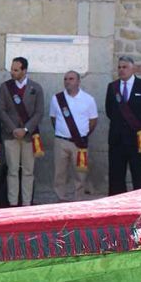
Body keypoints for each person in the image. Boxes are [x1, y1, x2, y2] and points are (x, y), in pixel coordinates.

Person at [104, 56, 141, 195]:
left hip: (136, 140)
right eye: (119, 67)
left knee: (138, 175)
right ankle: (116, 205)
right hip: (117, 139)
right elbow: (109, 111)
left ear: (133, 68)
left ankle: (139, 205)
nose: (121, 70)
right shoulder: (112, 87)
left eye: (125, 67)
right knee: (116, 175)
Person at [0, 57, 45, 207]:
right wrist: (14, 129)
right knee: (12, 170)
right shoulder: (5, 87)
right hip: (10, 135)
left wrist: (25, 129)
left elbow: (39, 112)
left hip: (29, 136)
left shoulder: (36, 88)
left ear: (24, 70)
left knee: (28, 171)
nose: (12, 72)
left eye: (16, 70)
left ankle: (26, 203)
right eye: (11, 69)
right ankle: (12, 203)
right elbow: (1, 110)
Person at [49, 70, 98, 202]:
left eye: (71, 79)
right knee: (60, 172)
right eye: (65, 79)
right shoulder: (57, 98)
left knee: (80, 173)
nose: (67, 82)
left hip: (79, 142)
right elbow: (53, 119)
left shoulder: (88, 99)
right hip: (61, 141)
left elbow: (93, 121)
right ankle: (61, 198)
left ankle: (78, 199)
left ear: (78, 81)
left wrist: (82, 135)